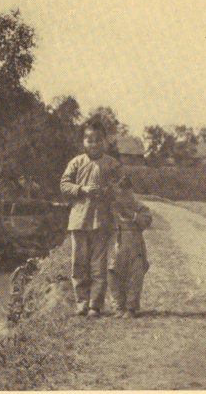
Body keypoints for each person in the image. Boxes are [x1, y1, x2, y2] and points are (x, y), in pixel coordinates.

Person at [60, 119, 123, 318]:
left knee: (98, 265)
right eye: (89, 140)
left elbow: (122, 187)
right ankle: (81, 302)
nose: (93, 144)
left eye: (98, 140)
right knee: (78, 264)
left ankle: (95, 305)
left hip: (102, 222)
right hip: (79, 220)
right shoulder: (76, 162)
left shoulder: (112, 164)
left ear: (105, 141)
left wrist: (106, 191)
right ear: (83, 142)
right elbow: (64, 185)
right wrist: (81, 189)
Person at [106, 174, 153, 319]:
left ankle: (131, 307)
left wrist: (131, 214)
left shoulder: (137, 205)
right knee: (112, 272)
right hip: (115, 241)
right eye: (117, 192)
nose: (121, 195)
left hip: (133, 241)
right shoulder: (109, 205)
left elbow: (146, 219)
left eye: (124, 192)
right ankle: (118, 306)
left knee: (135, 273)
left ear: (129, 191)